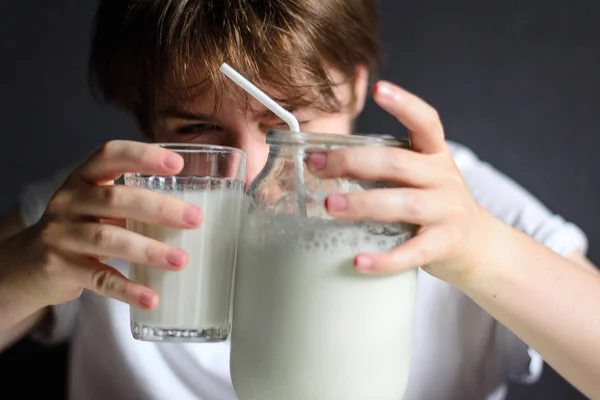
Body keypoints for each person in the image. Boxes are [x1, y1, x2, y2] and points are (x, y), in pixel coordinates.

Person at [0, 0, 598, 399]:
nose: (257, 170)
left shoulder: (439, 198)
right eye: (196, 132)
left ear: (359, 83)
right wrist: (28, 270)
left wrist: (481, 249)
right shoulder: (105, 205)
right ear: (144, 117)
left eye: (294, 123)